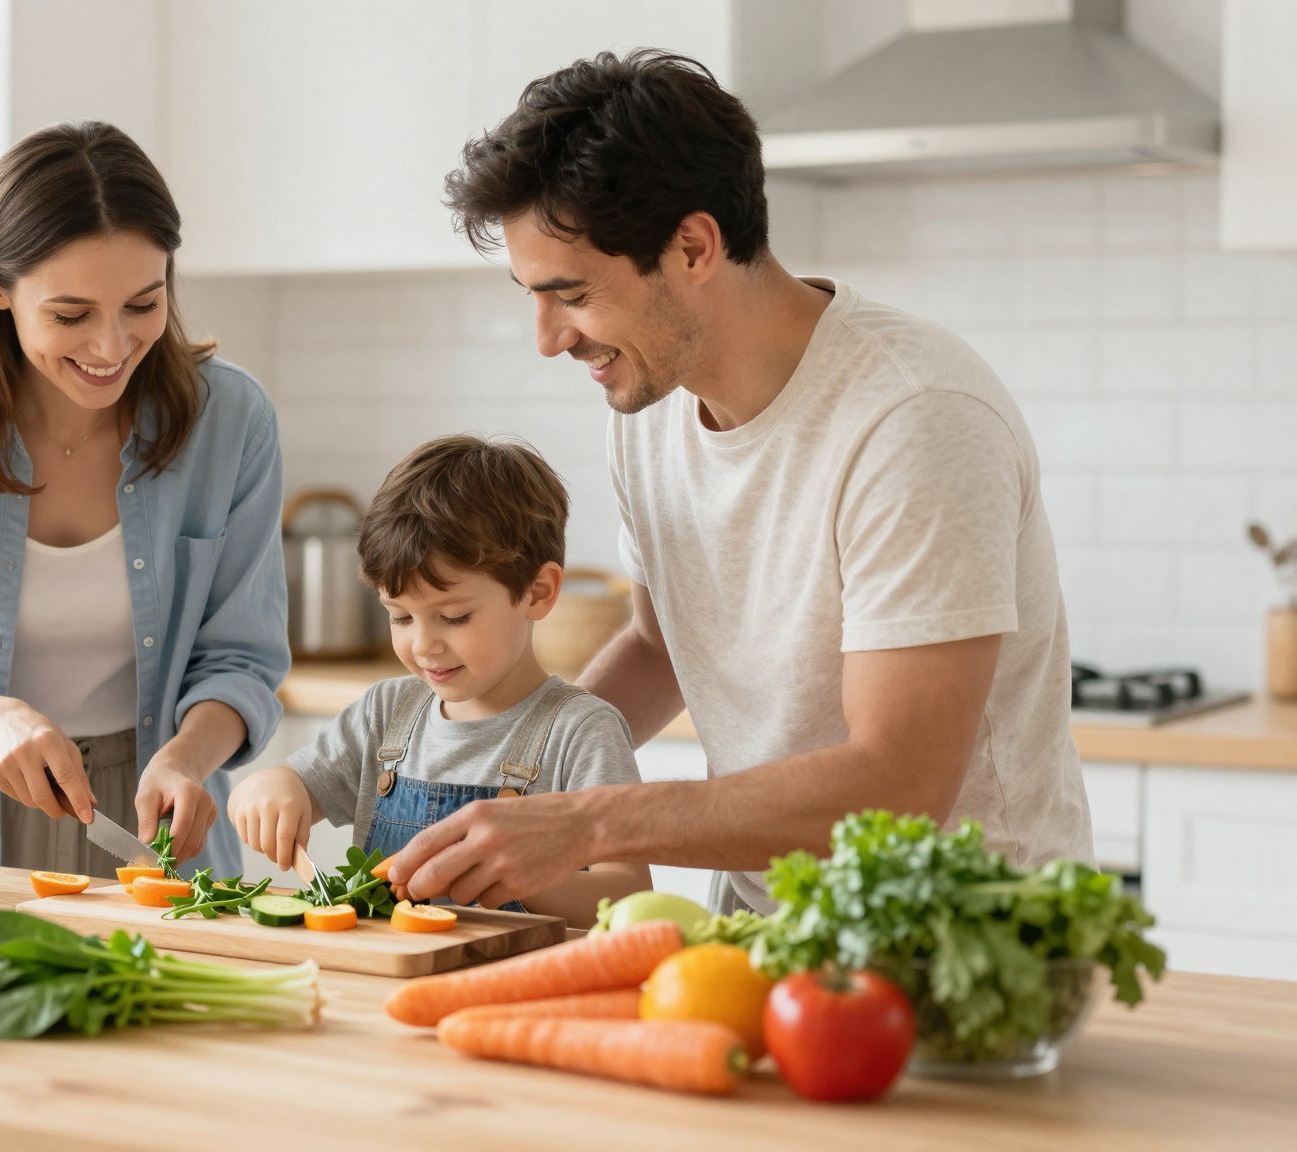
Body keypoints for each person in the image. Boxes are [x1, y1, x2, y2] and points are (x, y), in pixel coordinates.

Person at [388, 50, 1091, 913]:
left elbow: (901, 784)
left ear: (692, 247)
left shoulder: (913, 416)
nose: (547, 338)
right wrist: (508, 781)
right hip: (766, 930)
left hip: (961, 948)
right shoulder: (650, 406)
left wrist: (589, 822)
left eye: (570, 294)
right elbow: (658, 648)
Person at [0, 121, 288, 879]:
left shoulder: (231, 420)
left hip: (161, 821)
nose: (111, 347)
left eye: (143, 304)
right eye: (71, 315)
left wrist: (187, 756)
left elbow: (240, 657)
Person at [227, 435, 650, 926]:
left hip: (515, 991)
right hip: (386, 981)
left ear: (537, 592)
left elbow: (626, 897)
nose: (424, 645)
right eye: (401, 617)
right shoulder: (387, 713)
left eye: (453, 617)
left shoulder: (580, 731)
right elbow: (292, 785)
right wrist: (268, 789)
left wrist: (514, 873)